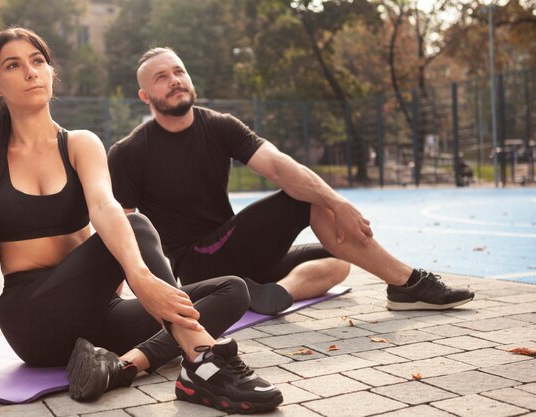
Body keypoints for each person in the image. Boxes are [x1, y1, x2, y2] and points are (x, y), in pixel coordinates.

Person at [0, 29, 282, 414]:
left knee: (233, 290)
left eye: (38, 61)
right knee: (139, 227)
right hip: (35, 319)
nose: (31, 72)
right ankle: (201, 357)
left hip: (97, 316)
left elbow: (104, 205)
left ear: (51, 72)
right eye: (13, 65)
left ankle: (120, 366)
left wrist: (139, 279)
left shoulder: (80, 143)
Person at [108, 47, 475, 314]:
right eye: (161, 78)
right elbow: (125, 228)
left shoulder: (219, 125)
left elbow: (280, 165)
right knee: (304, 199)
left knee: (339, 260)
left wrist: (338, 203)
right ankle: (408, 282)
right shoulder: (129, 152)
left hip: (239, 251)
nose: (174, 81)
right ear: (145, 96)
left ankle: (273, 294)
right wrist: (135, 290)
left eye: (179, 72)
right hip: (197, 263)